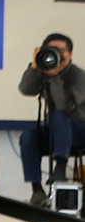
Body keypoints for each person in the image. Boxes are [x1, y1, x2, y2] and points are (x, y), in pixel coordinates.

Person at [18, 33, 85, 206]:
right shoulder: (44, 72)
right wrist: (34, 66)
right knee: (28, 136)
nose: (57, 54)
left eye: (61, 50)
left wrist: (56, 77)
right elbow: (25, 89)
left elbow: (65, 106)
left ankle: (60, 168)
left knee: (60, 115)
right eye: (52, 50)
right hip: (57, 130)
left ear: (70, 53)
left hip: (80, 130)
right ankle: (37, 190)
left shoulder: (78, 76)